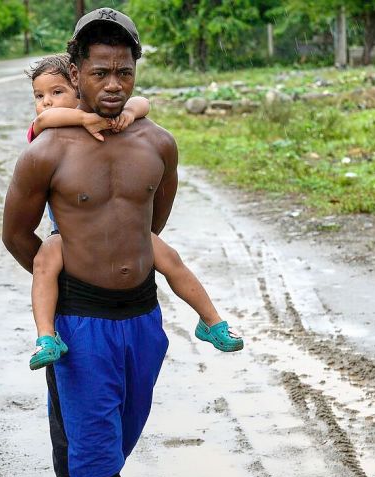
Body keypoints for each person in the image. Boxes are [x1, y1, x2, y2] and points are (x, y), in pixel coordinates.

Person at [3, 8, 226, 477]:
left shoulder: (159, 143)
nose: (113, 84)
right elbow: (15, 235)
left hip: (143, 317)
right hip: (81, 325)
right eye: (100, 72)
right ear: (75, 73)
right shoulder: (46, 152)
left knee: (123, 432)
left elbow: (152, 223)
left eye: (123, 71)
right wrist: (65, 268)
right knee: (99, 447)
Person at [23, 54, 242, 371]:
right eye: (39, 96)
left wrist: (127, 112)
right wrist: (83, 120)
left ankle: (211, 320)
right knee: (45, 262)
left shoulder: (111, 122)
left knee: (170, 258)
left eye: (56, 92)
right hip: (71, 237)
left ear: (81, 90)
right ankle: (46, 336)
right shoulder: (49, 134)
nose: (46, 103)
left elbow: (143, 101)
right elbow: (43, 121)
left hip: (127, 232)